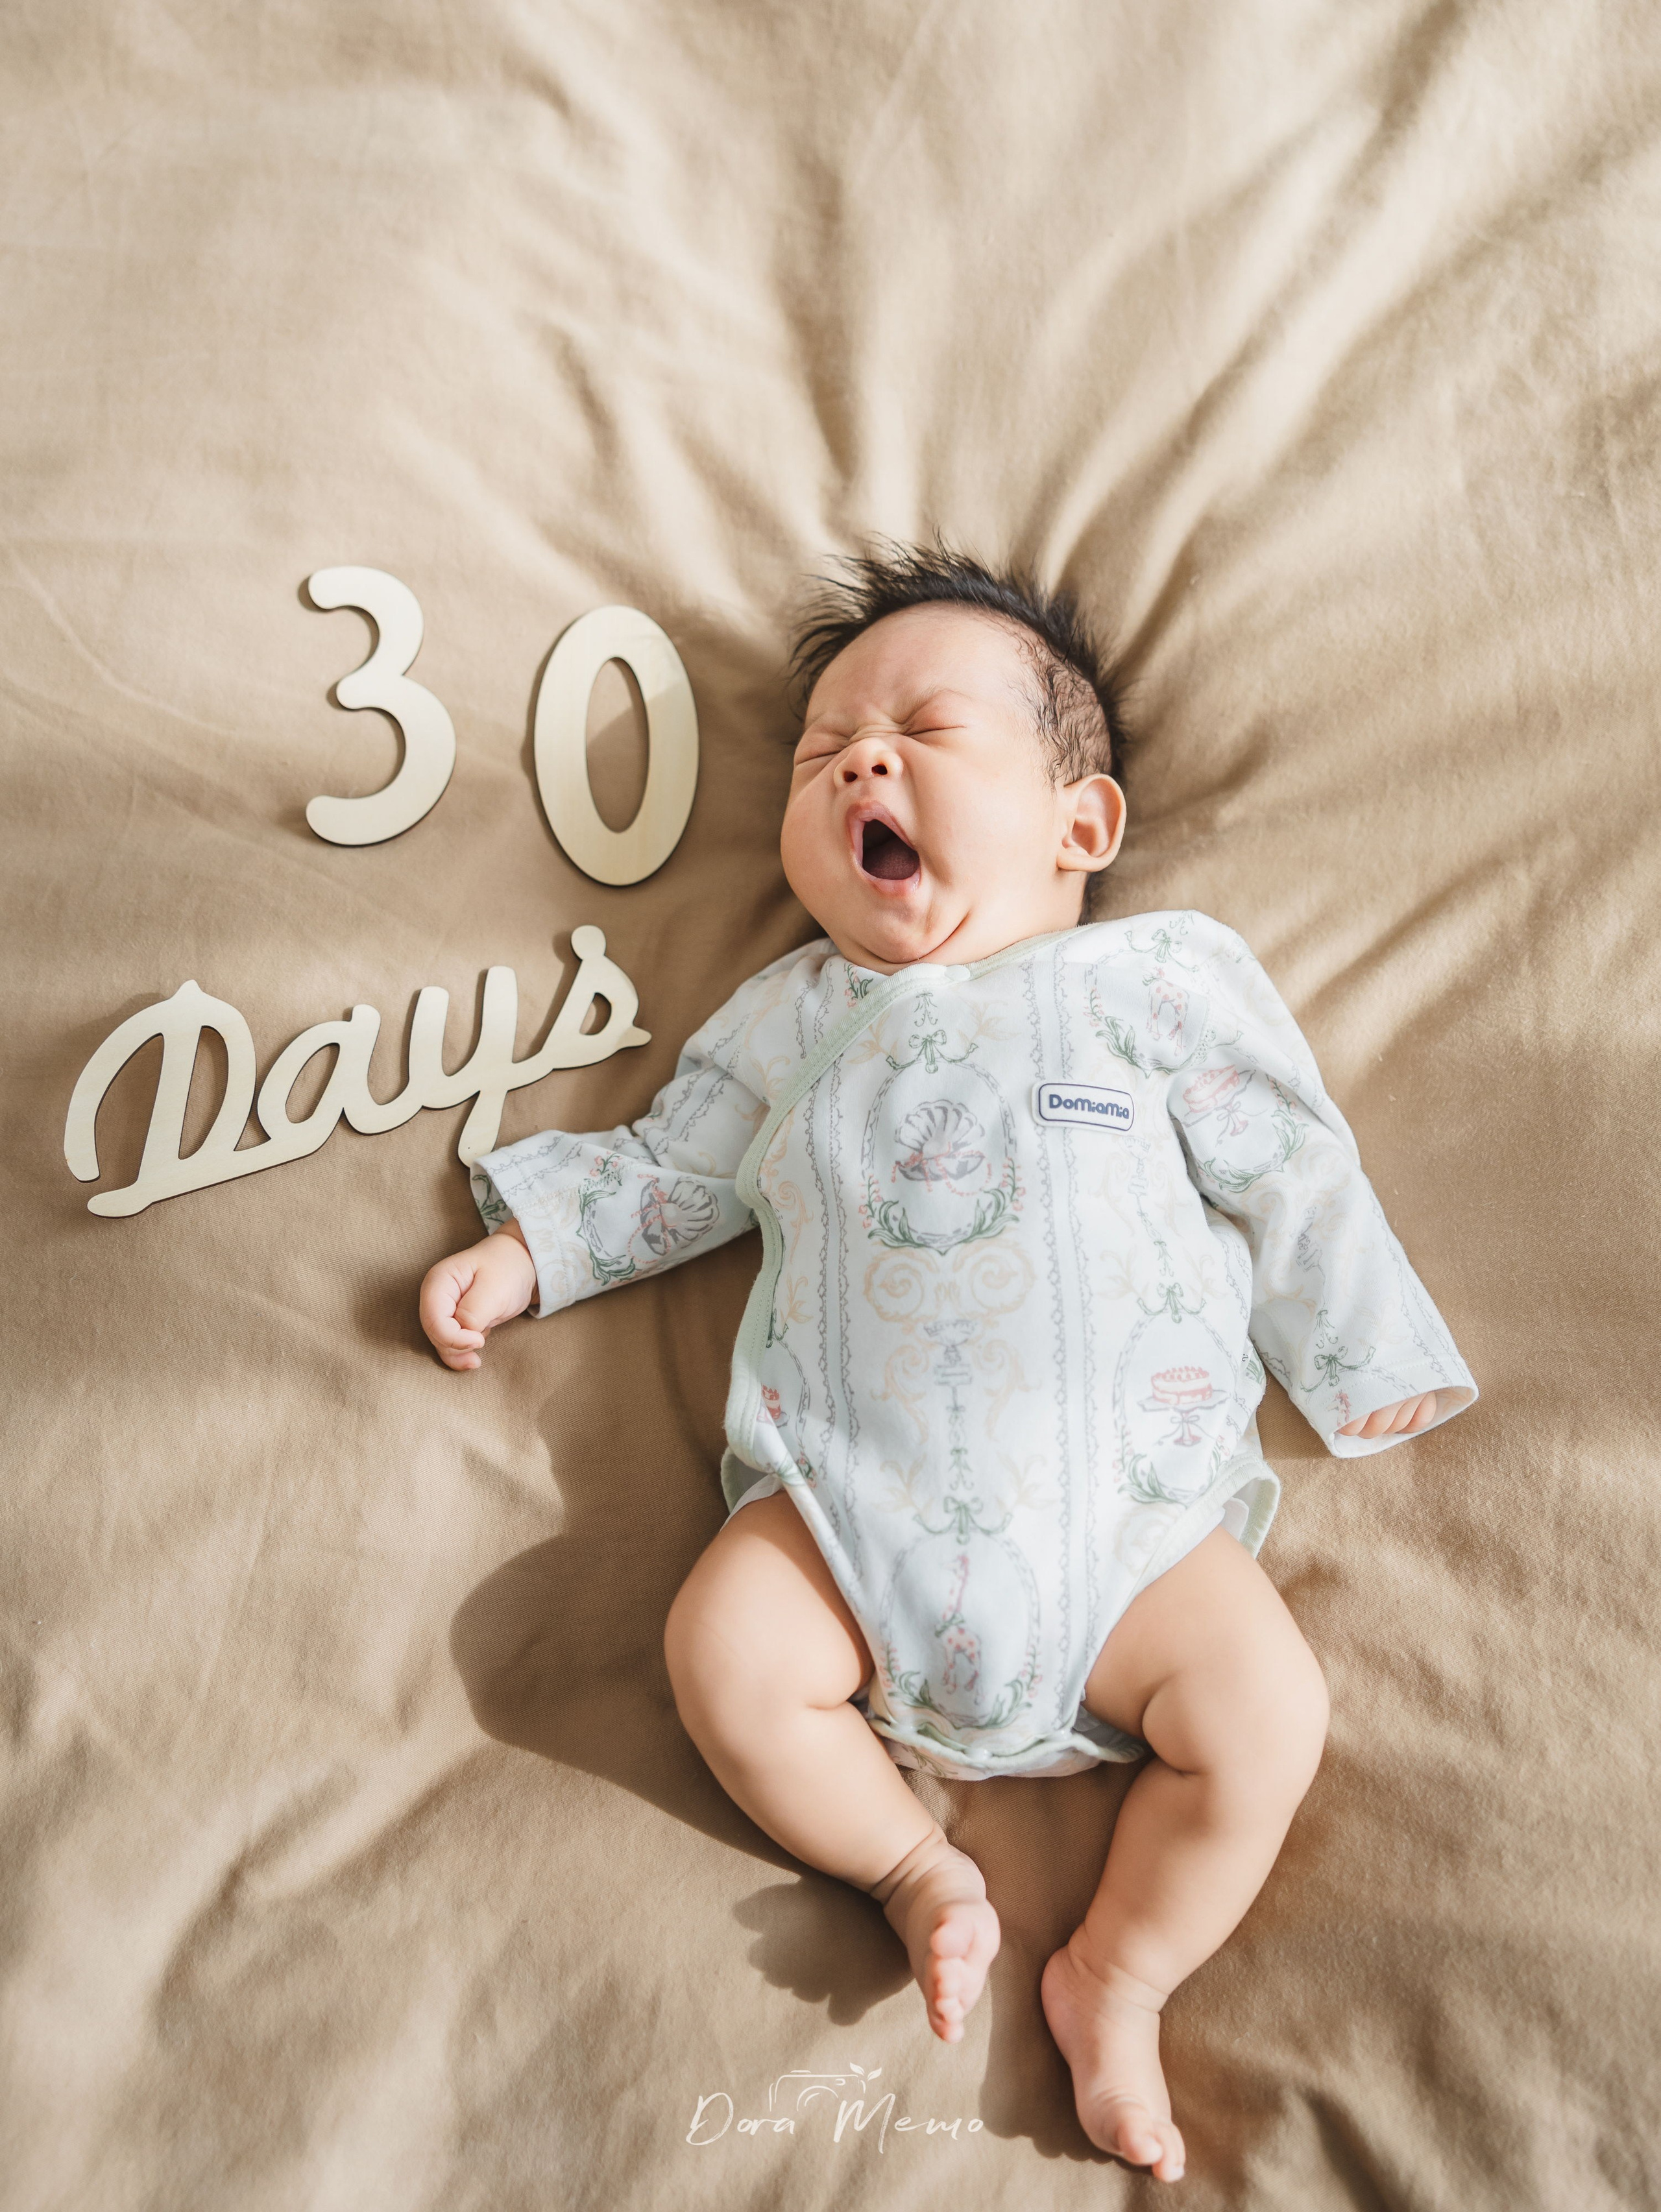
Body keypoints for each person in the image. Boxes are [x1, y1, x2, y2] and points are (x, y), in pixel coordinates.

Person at [419, 544, 1475, 2184]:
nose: (860, 758)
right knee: (724, 1647)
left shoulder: (1153, 985)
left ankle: (1114, 1972)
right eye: (825, 746)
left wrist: (1362, 1350)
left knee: (1265, 1712)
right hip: (852, 1514)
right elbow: (676, 1165)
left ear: (1081, 825)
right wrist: (531, 1249)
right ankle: (913, 1867)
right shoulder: (797, 1016)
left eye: (925, 728)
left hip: (1132, 1531)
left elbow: (1287, 1163)